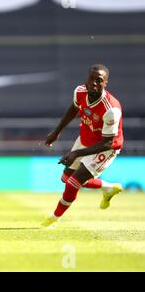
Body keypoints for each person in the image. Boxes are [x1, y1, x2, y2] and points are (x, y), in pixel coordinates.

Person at [42, 64, 123, 228]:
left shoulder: (111, 109)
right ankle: (108, 188)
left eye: (99, 80)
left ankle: (54, 218)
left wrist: (76, 153)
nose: (94, 83)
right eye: (91, 78)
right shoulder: (80, 91)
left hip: (106, 148)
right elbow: (74, 108)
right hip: (85, 140)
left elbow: (108, 141)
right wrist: (57, 131)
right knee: (66, 179)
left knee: (73, 182)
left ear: (105, 83)